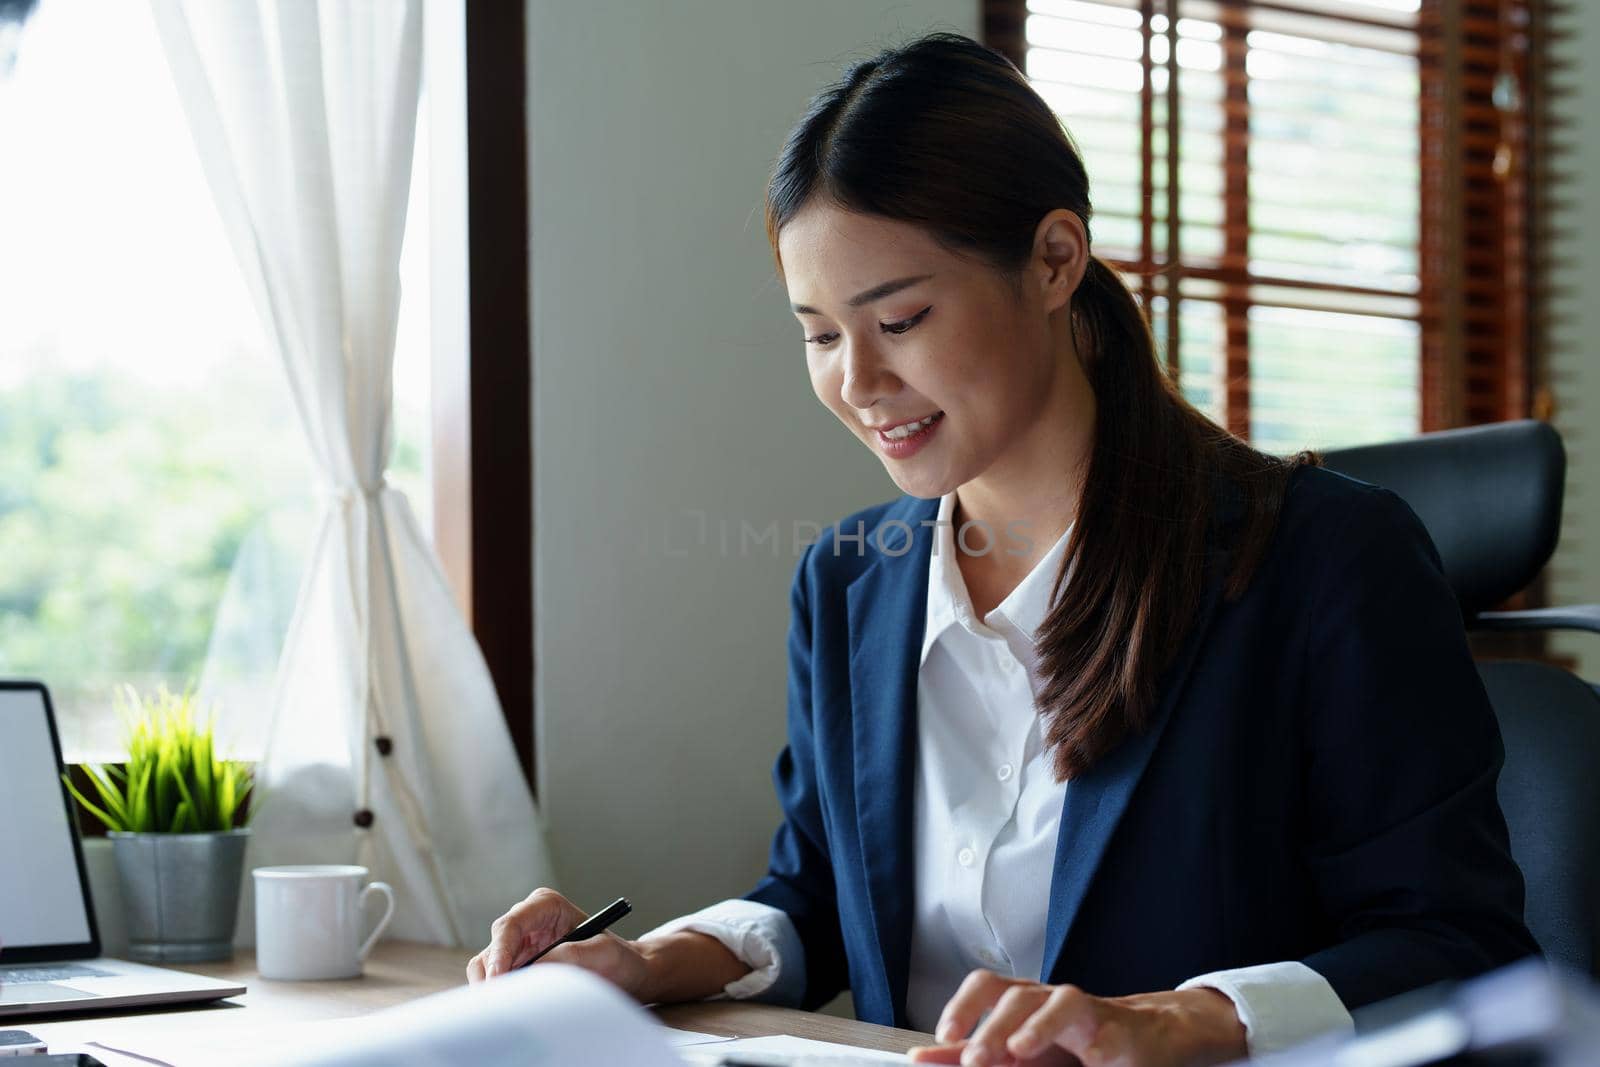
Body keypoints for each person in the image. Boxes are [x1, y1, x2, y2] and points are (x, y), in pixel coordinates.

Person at [466, 32, 1536, 1067]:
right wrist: (643, 962)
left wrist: (1180, 1021)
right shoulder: (847, 582)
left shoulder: (1320, 560)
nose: (856, 382)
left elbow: (1457, 945)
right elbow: (819, 893)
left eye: (900, 318)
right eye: (820, 333)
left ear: (1055, 258)